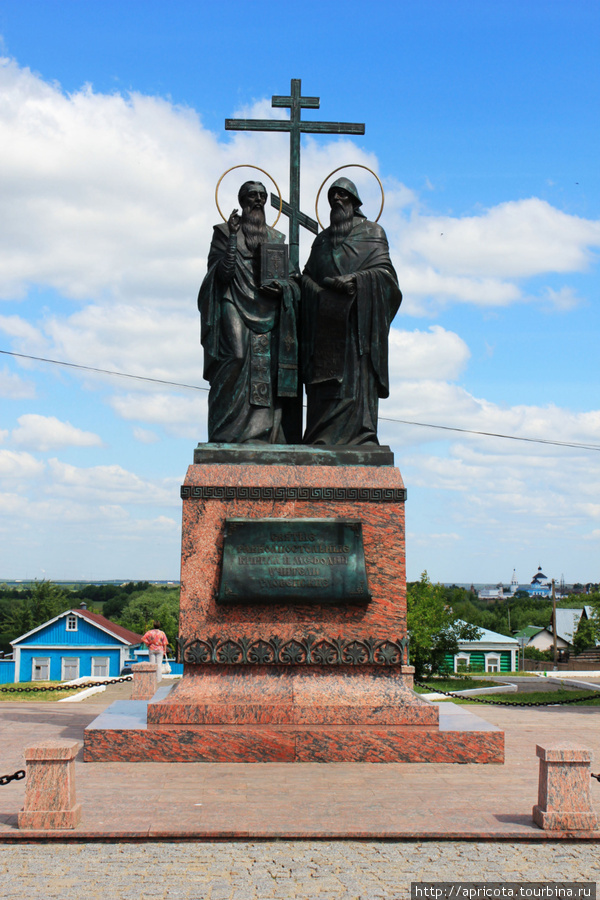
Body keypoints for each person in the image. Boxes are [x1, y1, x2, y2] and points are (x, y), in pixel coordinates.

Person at [301, 177, 402, 445]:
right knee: (325, 388)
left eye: (343, 195)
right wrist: (319, 293)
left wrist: (355, 279)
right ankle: (321, 439)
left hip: (358, 325)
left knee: (356, 381)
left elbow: (386, 276)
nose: (336, 199)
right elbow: (306, 276)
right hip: (325, 325)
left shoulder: (373, 232)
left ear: (355, 202)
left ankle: (360, 437)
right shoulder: (322, 240)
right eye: (333, 195)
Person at [198, 181, 300, 443]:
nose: (257, 200)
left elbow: (291, 278)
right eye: (252, 196)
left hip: (269, 308)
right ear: (242, 201)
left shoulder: (276, 239)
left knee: (267, 365)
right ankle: (226, 432)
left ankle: (263, 434)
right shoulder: (223, 232)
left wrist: (284, 289)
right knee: (236, 355)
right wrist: (233, 237)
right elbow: (221, 274)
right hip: (233, 300)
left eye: (262, 196)